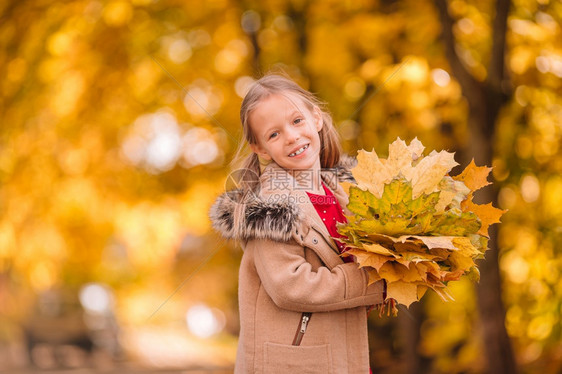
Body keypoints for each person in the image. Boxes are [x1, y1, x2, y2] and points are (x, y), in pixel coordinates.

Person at [209, 73, 385, 373]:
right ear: (261, 149)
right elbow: (290, 286)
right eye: (274, 134)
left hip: (342, 354)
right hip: (295, 363)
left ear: (316, 118)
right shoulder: (269, 208)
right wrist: (375, 283)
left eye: (297, 121)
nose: (291, 136)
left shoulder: (347, 196)